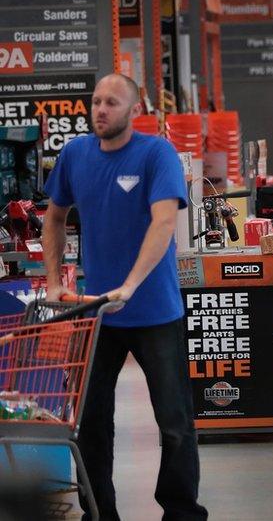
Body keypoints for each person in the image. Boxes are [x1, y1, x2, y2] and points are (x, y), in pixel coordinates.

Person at [42, 74, 207, 521]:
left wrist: (131, 284)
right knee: (92, 423)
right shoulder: (75, 154)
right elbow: (53, 216)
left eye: (111, 102)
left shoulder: (156, 154)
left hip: (155, 311)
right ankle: (100, 512)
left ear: (134, 111)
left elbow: (163, 224)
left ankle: (181, 510)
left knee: (174, 422)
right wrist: (54, 279)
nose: (100, 109)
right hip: (98, 314)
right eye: (95, 101)